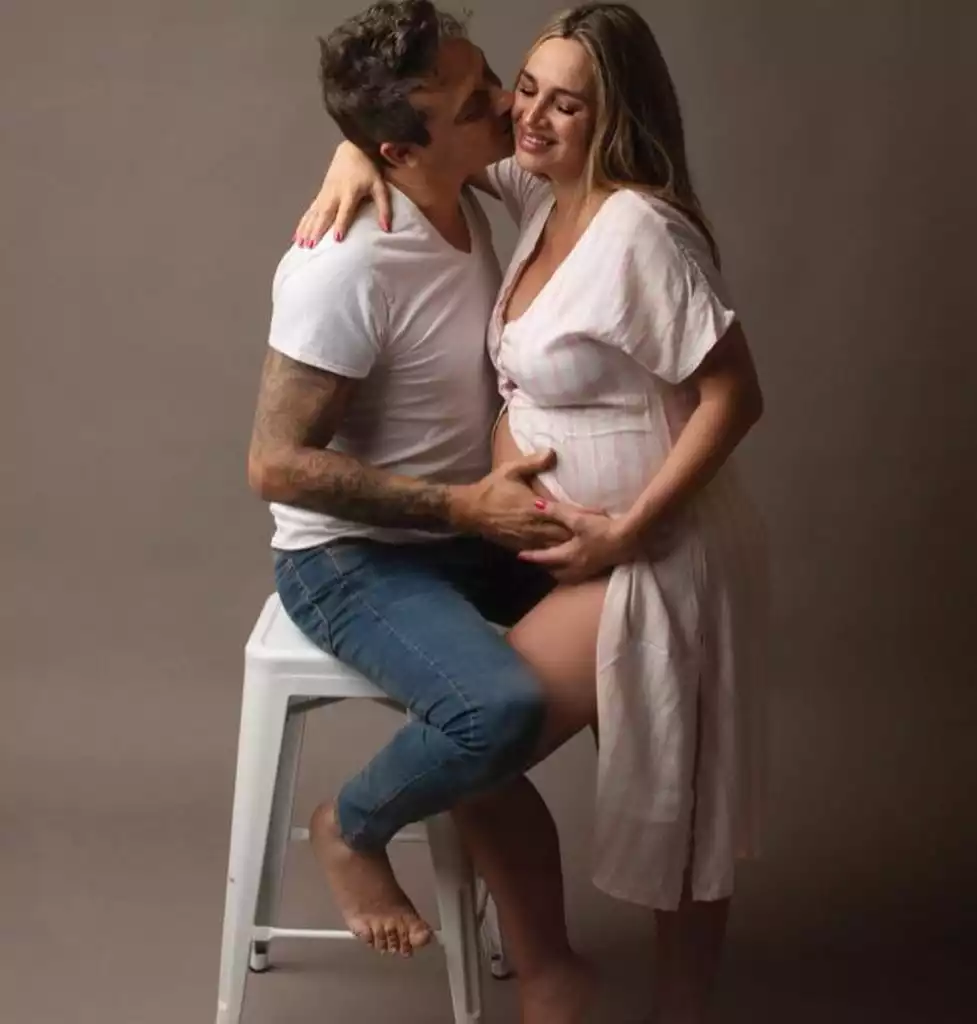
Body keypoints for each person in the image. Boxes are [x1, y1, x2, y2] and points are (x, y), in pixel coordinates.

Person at [293, 3, 769, 1023]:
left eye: (568, 104)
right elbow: (412, 140)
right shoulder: (534, 187)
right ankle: (550, 970)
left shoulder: (638, 230)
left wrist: (630, 529)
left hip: (650, 548)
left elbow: (735, 396)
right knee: (480, 736)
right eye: (525, 88)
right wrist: (350, 153)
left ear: (614, 116)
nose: (528, 115)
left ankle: (678, 1010)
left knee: (675, 795)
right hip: (563, 546)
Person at [249, 7, 599, 1022]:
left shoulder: (462, 176)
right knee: (494, 710)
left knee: (650, 601)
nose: (504, 102)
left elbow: (440, 135)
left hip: (461, 532)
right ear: (401, 149)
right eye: (474, 99)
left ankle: (538, 913)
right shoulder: (344, 266)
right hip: (351, 559)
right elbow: (273, 463)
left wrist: (352, 146)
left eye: (489, 74)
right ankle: (351, 827)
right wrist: (462, 504)